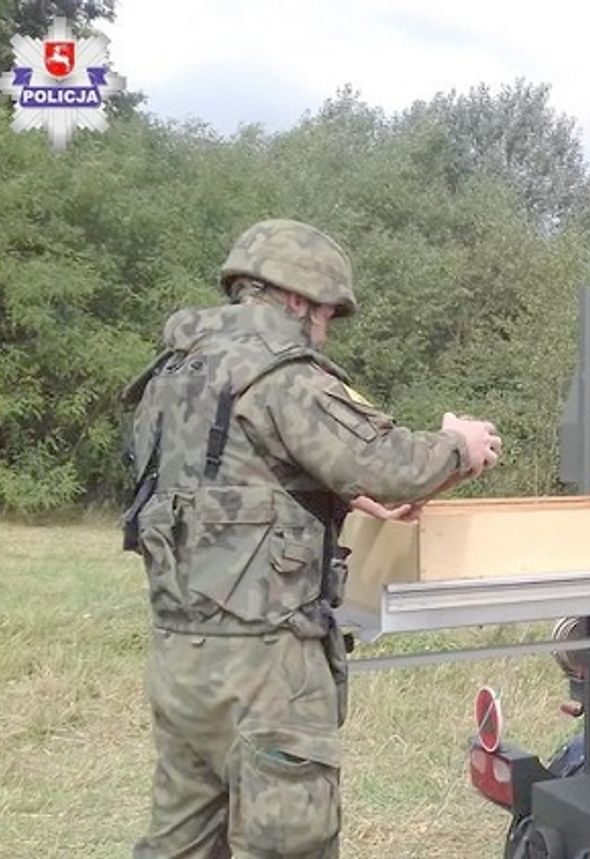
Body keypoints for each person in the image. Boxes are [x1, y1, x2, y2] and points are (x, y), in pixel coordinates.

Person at [121, 219, 501, 858]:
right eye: (326, 314)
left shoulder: (173, 373)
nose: (324, 329)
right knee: (288, 846)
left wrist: (340, 496)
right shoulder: (281, 373)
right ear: (296, 299)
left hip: (180, 658)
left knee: (179, 845)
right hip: (265, 671)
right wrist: (458, 445)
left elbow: (226, 484)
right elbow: (387, 462)